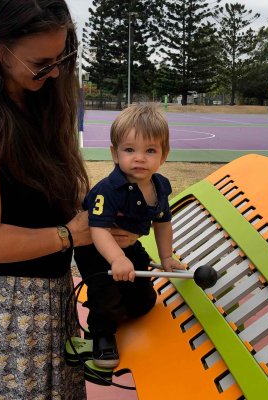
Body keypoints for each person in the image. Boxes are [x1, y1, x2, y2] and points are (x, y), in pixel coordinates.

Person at [0, 1, 137, 398]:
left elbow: (43, 188)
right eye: (41, 62)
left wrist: (100, 213)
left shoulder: (34, 91)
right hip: (14, 309)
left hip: (52, 293)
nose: (54, 72)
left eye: (63, 57)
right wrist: (71, 235)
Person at [74, 104, 185, 369]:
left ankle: (117, 311)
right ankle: (101, 333)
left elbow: (163, 222)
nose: (139, 158)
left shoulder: (160, 187)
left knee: (145, 300)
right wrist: (116, 258)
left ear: (163, 154)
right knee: (106, 294)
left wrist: (166, 256)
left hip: (129, 247)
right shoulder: (109, 190)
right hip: (98, 251)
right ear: (114, 153)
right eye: (129, 150)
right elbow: (97, 228)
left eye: (150, 151)